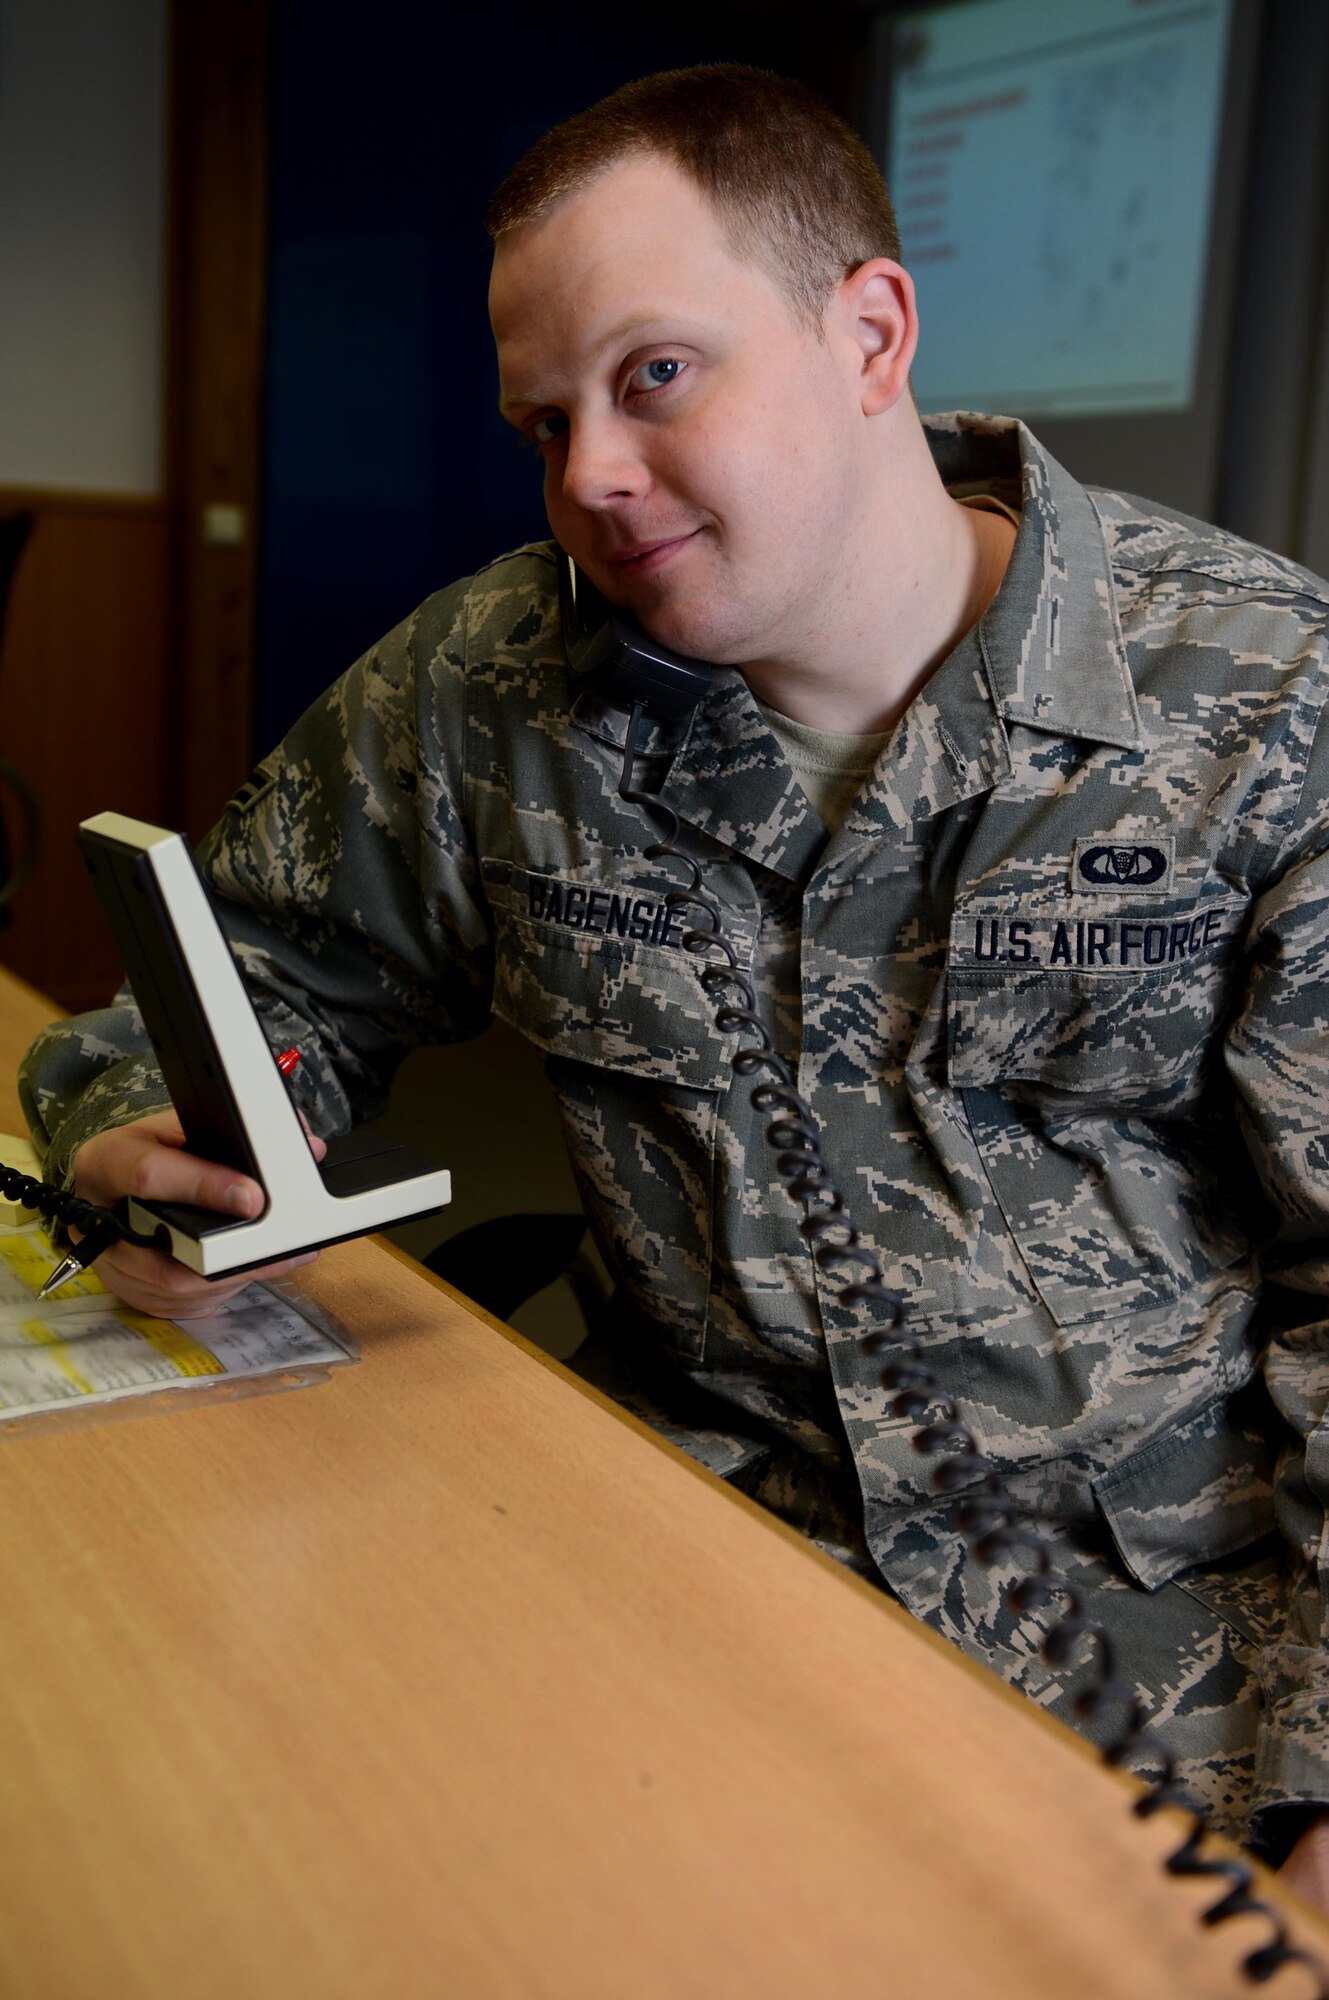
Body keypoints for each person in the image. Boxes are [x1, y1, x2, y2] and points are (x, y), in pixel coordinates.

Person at [20, 65, 1329, 1902]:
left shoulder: (1267, 707)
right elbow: (245, 971)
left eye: (653, 377)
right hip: (664, 1561)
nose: (591, 482)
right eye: (541, 421)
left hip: (1172, 1687)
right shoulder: (492, 680)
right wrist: (183, 1135)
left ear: (868, 331)